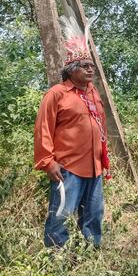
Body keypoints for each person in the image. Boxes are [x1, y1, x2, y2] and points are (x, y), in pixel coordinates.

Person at [34, 26, 109, 248]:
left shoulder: (93, 93)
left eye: (91, 66)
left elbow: (100, 128)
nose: (90, 70)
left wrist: (104, 160)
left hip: (94, 168)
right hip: (67, 168)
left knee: (94, 216)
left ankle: (90, 258)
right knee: (61, 217)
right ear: (72, 69)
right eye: (85, 66)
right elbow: (43, 129)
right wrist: (48, 162)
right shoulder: (56, 94)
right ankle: (57, 260)